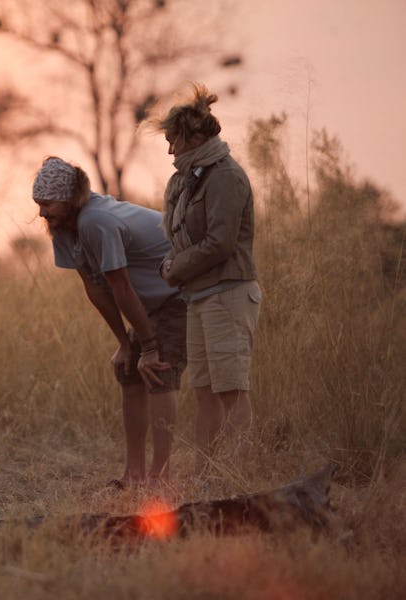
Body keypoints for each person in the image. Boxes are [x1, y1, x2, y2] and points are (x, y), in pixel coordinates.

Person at [33, 156, 187, 487]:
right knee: (128, 372)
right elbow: (93, 285)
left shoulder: (95, 221)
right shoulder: (63, 228)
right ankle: (133, 473)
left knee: (158, 371)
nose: (41, 212)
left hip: (177, 294)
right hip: (147, 301)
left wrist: (147, 346)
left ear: (68, 198)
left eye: (47, 203)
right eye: (38, 204)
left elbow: (120, 284)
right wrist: (124, 344)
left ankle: (161, 476)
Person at [154, 84, 261, 469]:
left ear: (195, 137)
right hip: (199, 295)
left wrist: (174, 268)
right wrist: (173, 265)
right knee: (203, 389)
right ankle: (208, 474)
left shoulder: (225, 176)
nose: (170, 150)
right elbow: (184, 239)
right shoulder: (188, 178)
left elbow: (220, 243)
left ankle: (241, 475)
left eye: (173, 141)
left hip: (229, 292)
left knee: (231, 388)